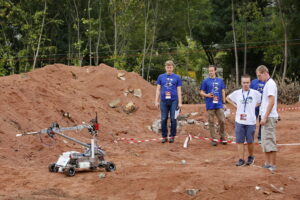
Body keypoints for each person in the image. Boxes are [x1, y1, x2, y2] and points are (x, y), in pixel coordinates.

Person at [226, 74, 262, 166]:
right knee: (240, 141)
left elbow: (262, 100)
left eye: (247, 82)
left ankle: (250, 157)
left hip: (251, 121)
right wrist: (235, 105)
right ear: (241, 83)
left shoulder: (255, 93)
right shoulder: (237, 93)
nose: (246, 84)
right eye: (244, 83)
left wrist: (255, 105)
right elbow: (227, 98)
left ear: (250, 83)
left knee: (250, 141)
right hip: (239, 121)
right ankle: (241, 159)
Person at [256, 65, 278, 171]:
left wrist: (265, 117)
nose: (258, 78)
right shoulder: (267, 84)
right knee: (265, 141)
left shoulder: (270, 84)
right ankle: (268, 163)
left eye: (259, 75)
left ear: (265, 73)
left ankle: (273, 164)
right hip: (266, 117)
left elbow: (272, 101)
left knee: (270, 140)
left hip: (268, 118)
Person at [155, 60, 182, 143]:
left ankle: (172, 136)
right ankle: (164, 136)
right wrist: (156, 101)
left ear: (173, 68)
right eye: (167, 67)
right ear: (165, 67)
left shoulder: (177, 77)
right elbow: (158, 89)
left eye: (170, 67)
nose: (169, 69)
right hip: (163, 101)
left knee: (173, 118)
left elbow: (179, 90)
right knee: (163, 118)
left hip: (174, 100)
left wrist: (180, 102)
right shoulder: (161, 77)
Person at [200, 65, 227, 146]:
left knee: (222, 120)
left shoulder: (220, 81)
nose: (210, 72)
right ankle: (214, 138)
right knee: (211, 122)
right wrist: (207, 95)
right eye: (209, 71)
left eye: (212, 71)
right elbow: (201, 92)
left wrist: (224, 103)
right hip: (210, 104)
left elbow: (223, 91)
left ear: (215, 71)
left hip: (219, 104)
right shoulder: (205, 81)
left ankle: (223, 137)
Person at [250, 78, 265, 144]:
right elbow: (250, 92)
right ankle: (250, 136)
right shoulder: (253, 82)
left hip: (263, 106)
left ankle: (260, 137)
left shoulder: (266, 82)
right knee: (252, 121)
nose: (259, 76)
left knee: (261, 122)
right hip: (254, 106)